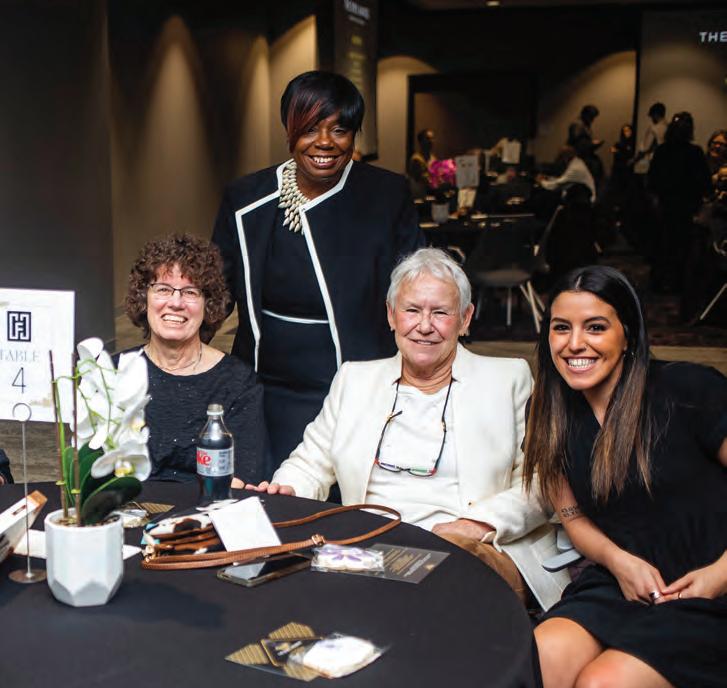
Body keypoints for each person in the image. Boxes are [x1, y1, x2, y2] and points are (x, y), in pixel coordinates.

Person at [248, 248, 568, 609]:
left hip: (469, 551)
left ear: (465, 319)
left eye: (441, 313)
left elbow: (540, 481)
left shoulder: (507, 379)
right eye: (412, 310)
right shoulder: (355, 380)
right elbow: (310, 463)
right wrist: (286, 490)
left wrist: (474, 525)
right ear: (391, 315)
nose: (424, 325)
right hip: (368, 551)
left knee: (443, 584)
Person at [522, 265, 727, 688]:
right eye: (561, 328)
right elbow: (574, 520)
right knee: (542, 655)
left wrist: (718, 575)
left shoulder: (688, 389)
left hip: (713, 588)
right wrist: (617, 560)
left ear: (628, 334)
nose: (575, 344)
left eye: (595, 326)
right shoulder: (550, 413)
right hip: (628, 580)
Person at [212, 71, 424, 470]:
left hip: (358, 377)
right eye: (310, 128)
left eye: (340, 130)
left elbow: (418, 284)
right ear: (289, 129)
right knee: (272, 486)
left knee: (351, 489)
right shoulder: (246, 197)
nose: (325, 142)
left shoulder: (385, 194)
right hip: (266, 383)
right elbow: (215, 294)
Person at [125, 233, 266, 485]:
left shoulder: (237, 383)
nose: (176, 303)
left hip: (207, 508)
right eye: (163, 289)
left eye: (190, 292)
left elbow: (244, 478)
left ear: (208, 303)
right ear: (143, 297)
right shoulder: (115, 372)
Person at [648, 111, 712, 294]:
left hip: (668, 206)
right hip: (684, 207)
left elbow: (652, 180)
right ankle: (677, 283)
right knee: (680, 248)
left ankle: (662, 282)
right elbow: (704, 183)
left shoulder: (663, 151)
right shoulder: (694, 152)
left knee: (665, 246)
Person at [567, 105, 603, 186]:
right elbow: (577, 141)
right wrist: (591, 144)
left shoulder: (585, 125)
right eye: (591, 117)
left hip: (584, 154)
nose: (592, 119)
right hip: (578, 155)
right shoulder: (577, 125)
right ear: (586, 115)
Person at [632, 102, 667, 176]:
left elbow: (646, 148)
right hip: (665, 162)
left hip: (654, 161)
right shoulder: (669, 127)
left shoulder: (654, 128)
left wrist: (634, 160)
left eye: (652, 116)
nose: (651, 119)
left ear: (656, 115)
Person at [407, 128, 436, 199]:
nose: (431, 141)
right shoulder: (416, 159)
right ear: (421, 141)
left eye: (432, 138)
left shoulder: (433, 158)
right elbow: (422, 179)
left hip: (431, 195)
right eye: (428, 138)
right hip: (419, 197)